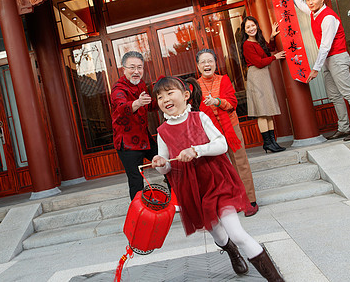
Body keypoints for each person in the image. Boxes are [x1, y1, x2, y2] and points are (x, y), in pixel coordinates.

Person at [151, 76, 284, 281]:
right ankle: (230, 250)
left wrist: (197, 150)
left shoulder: (199, 118)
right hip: (193, 191)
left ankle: (276, 279)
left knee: (237, 233)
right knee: (220, 236)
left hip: (217, 182)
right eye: (160, 97)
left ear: (186, 95)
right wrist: (161, 163)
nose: (165, 99)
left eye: (170, 93)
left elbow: (221, 144)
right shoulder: (162, 132)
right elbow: (167, 168)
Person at [288, 0, 350, 141]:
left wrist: (315, 68)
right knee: (334, 96)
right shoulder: (313, 13)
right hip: (327, 61)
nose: (310, 2)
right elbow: (299, 3)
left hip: (337, 57)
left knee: (348, 93)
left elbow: (325, 46)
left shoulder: (328, 17)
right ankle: (344, 128)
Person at [195, 48, 259, 217]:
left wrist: (217, 101)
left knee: (240, 162)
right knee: (222, 167)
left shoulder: (224, 80)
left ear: (215, 63)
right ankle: (235, 200)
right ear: (198, 66)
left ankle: (250, 200)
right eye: (203, 62)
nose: (207, 64)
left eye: (210, 61)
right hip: (211, 132)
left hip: (230, 127)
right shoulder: (195, 86)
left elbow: (232, 102)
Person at [110, 51, 159, 200]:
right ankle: (139, 216)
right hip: (127, 143)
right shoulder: (118, 89)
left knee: (165, 163)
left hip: (144, 137)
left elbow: (148, 106)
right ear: (123, 69)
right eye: (132, 67)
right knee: (136, 182)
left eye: (140, 67)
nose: (136, 71)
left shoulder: (141, 85)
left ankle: (176, 201)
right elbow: (121, 108)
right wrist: (137, 103)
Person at [239, 16, 287, 153]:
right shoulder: (247, 45)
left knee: (268, 111)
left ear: (257, 26)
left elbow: (269, 49)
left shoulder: (258, 41)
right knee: (262, 112)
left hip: (264, 76)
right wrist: (275, 57)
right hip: (257, 76)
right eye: (248, 27)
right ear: (245, 30)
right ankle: (267, 143)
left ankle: (273, 142)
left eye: (252, 25)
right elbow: (259, 62)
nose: (251, 29)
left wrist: (272, 36)